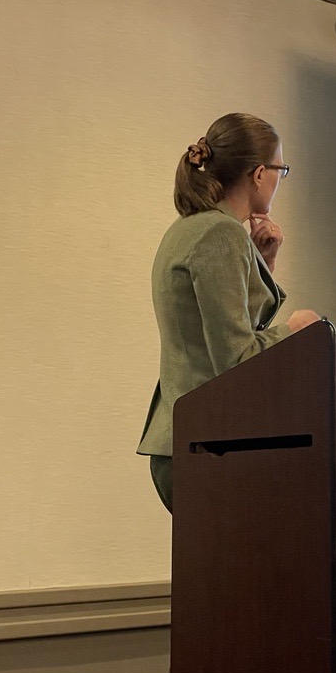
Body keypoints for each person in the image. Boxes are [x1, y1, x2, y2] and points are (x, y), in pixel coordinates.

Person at [137, 112, 321, 513]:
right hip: (208, 443)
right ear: (258, 174)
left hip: (188, 440)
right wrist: (298, 329)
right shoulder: (220, 234)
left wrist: (264, 264)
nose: (278, 180)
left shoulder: (189, 228)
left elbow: (222, 336)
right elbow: (236, 360)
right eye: (280, 169)